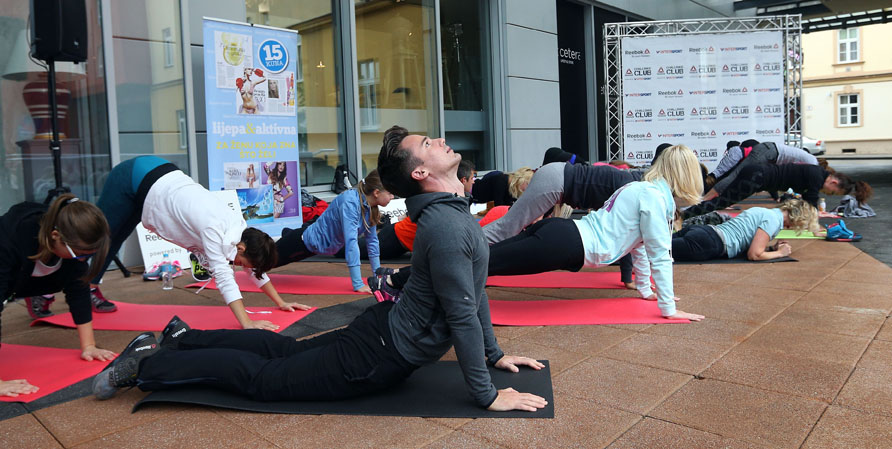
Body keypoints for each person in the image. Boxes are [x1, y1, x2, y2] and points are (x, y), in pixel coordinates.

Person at [93, 125, 547, 414]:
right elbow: (463, 311)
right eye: (428, 143)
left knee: (281, 352)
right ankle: (148, 365)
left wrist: (493, 354)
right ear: (420, 173)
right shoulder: (447, 225)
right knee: (265, 379)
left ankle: (183, 339)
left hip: (382, 334)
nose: (440, 141)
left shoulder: (452, 213)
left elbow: (473, 293)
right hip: (377, 354)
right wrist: (487, 393)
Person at [485, 145, 707, 322]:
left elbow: (639, 247)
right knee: (482, 263)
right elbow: (659, 255)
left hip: (561, 235)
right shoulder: (654, 199)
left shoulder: (641, 189)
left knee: (483, 260)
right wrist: (669, 308)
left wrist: (646, 290)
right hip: (564, 243)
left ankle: (454, 265)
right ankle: (453, 269)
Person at [90, 156, 307, 331]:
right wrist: (247, 323)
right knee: (95, 238)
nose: (241, 267)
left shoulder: (242, 232)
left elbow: (255, 271)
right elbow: (224, 278)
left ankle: (90, 287)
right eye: (241, 263)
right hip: (134, 175)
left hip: (157, 183)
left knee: (114, 240)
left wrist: (281, 302)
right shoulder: (214, 228)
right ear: (240, 249)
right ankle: (62, 283)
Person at [1, 194, 116, 397]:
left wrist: (88, 346)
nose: (84, 260)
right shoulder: (10, 243)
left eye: (89, 255)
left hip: (26, 278)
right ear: (55, 236)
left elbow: (78, 291)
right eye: (80, 254)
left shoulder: (70, 240)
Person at [275, 169, 393, 293]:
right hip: (304, 243)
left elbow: (372, 241)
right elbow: (351, 243)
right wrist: (358, 284)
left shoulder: (371, 207)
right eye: (390, 193)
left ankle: (287, 233)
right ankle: (286, 235)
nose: (392, 197)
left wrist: (378, 276)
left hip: (316, 246)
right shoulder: (350, 203)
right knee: (264, 262)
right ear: (376, 192)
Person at [682, 163, 870, 219]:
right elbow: (811, 205)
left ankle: (684, 213)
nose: (828, 195)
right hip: (757, 176)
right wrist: (823, 217)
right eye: (832, 193)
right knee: (722, 202)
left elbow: (805, 201)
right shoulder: (816, 176)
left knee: (723, 200)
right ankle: (683, 215)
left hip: (757, 173)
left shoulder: (817, 174)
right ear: (834, 181)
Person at [672, 199, 818, 262]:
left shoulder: (766, 212)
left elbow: (745, 235)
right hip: (709, 243)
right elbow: (754, 254)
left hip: (704, 232)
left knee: (654, 244)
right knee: (653, 250)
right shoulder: (774, 221)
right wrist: (780, 253)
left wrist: (771, 248)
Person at [706, 139, 818, 200]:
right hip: (768, 152)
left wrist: (777, 197)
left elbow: (776, 180)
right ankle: (706, 198)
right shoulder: (813, 165)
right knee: (736, 175)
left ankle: (712, 198)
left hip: (770, 153)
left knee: (738, 176)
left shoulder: (812, 165)